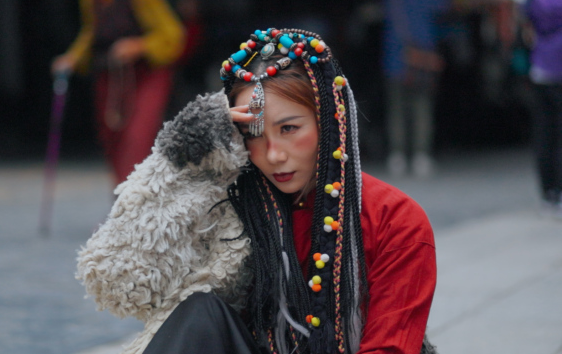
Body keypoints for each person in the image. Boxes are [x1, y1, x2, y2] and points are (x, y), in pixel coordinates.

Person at [76, 28, 437, 354]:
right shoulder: (232, 204)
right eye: (253, 136)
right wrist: (183, 153)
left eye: (290, 128)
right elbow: (119, 277)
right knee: (200, 312)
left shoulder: (395, 219)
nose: (274, 155)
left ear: (329, 119)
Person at [52, 0, 185, 184]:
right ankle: (123, 198)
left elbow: (172, 34)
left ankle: (135, 197)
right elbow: (91, 32)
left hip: (145, 77)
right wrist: (73, 58)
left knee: (137, 138)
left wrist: (138, 46)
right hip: (110, 77)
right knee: (112, 138)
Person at [382, 0, 449, 177]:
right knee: (422, 110)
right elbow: (446, 4)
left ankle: (397, 156)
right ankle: (421, 156)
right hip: (421, 63)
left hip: (394, 62)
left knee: (396, 111)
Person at [526, 0, 562, 218]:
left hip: (540, 67)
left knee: (544, 132)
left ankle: (548, 191)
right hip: (558, 66)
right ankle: (559, 190)